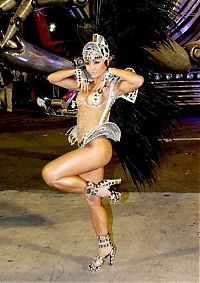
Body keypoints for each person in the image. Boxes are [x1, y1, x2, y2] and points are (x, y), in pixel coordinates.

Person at [42, 33, 144, 271]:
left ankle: (100, 188)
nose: (92, 66)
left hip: (98, 146)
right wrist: (78, 70)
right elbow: (52, 78)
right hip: (84, 146)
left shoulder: (111, 85)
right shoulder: (82, 82)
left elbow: (138, 81)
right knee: (92, 201)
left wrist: (112, 71)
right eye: (88, 61)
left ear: (107, 59)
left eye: (96, 60)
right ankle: (105, 247)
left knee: (50, 174)